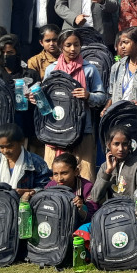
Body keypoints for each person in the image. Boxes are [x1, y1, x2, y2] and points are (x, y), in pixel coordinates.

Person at [41, 29, 107, 181]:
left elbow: (102, 97)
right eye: (68, 45)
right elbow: (45, 99)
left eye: (76, 45)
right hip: (55, 130)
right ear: (60, 47)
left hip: (83, 130)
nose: (73, 49)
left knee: (84, 174)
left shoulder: (89, 69)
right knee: (54, 175)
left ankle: (84, 205)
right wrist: (36, 98)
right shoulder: (51, 70)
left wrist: (88, 95)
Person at [0, 123, 52, 200]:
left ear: (21, 142)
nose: (5, 151)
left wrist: (29, 192)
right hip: (0, 207)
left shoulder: (36, 163)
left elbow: (46, 188)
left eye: (10, 146)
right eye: (1, 147)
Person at [90, 126, 137, 204]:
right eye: (116, 144)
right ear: (109, 145)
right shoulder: (105, 167)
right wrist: (108, 173)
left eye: (125, 144)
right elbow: (95, 197)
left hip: (132, 212)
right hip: (111, 212)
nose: (121, 149)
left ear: (130, 145)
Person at [46, 152, 96, 222]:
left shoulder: (87, 188)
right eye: (55, 174)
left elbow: (94, 216)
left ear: (76, 172)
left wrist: (82, 208)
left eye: (64, 173)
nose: (59, 178)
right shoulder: (51, 186)